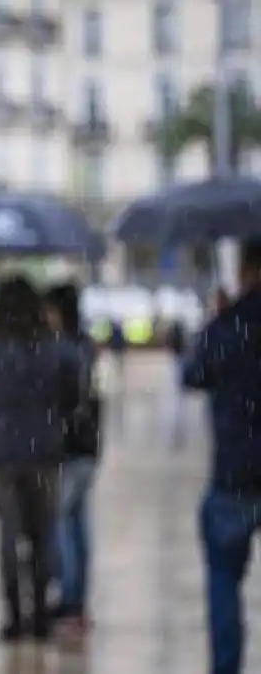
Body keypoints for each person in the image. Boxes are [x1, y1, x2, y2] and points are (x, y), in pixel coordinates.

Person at [0, 276, 80, 642]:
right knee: (43, 537)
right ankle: (41, 615)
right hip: (46, 452)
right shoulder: (56, 348)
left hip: (2, 454)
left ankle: (15, 617)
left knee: (9, 536)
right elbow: (74, 395)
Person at [183, 241, 261, 674]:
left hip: (235, 472)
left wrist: (219, 320)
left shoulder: (228, 325)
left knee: (224, 581)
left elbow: (192, 374)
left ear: (248, 270)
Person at [43, 283, 102, 633]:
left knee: (64, 526)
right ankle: (77, 601)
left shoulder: (64, 349)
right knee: (78, 526)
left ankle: (69, 601)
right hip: (88, 449)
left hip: (69, 449)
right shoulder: (86, 346)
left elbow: (67, 402)